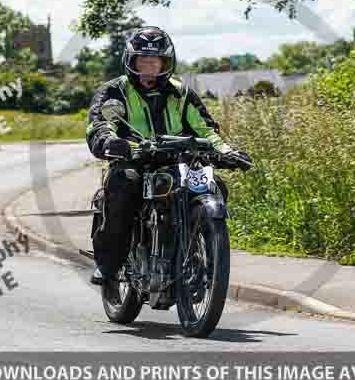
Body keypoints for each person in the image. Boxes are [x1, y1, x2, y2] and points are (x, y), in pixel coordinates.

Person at [85, 26, 252, 285]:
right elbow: (100, 124)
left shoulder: (182, 94)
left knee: (214, 185)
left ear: (166, 63)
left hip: (178, 161)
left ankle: (197, 249)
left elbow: (207, 130)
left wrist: (229, 152)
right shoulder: (113, 92)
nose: (148, 69)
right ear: (131, 61)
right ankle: (110, 262)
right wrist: (111, 142)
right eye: (142, 61)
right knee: (124, 182)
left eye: (155, 62)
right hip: (135, 160)